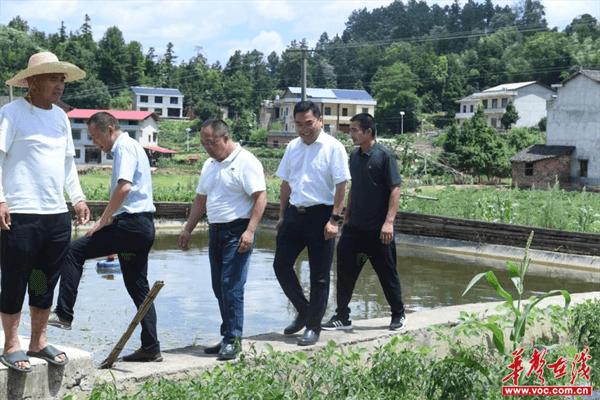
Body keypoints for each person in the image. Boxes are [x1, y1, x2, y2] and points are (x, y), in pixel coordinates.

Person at [0, 51, 90, 373]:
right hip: (20, 213)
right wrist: (0, 200)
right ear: (32, 82)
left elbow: (68, 164)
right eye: (53, 78)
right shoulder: (11, 114)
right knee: (14, 278)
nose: (59, 85)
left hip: (55, 214)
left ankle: (37, 341)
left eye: (62, 79)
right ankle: (11, 345)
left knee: (43, 280)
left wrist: (77, 198)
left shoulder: (61, 118)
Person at [49, 112, 162, 362]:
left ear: (109, 129)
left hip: (130, 227)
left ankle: (64, 313)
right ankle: (151, 346)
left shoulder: (124, 147)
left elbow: (124, 187)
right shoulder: (131, 146)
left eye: (95, 136)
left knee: (73, 251)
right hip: (141, 229)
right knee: (138, 288)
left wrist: (103, 220)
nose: (94, 142)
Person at [178, 119, 266, 360]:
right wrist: (188, 229)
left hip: (238, 231)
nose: (207, 147)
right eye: (203, 142)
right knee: (219, 287)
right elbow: (200, 200)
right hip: (215, 231)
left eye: (211, 142)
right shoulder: (209, 164)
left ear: (225, 137)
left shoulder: (246, 161)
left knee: (232, 286)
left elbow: (260, 197)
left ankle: (233, 340)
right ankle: (227, 334)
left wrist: (250, 231)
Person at [273, 101, 350, 346]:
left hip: (322, 215)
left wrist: (334, 220)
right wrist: (283, 215)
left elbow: (341, 186)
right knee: (280, 265)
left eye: (308, 123)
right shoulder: (292, 147)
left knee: (319, 275)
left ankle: (313, 326)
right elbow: (285, 183)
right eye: (298, 124)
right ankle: (304, 309)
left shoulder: (333, 147)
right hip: (295, 213)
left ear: (319, 121)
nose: (304, 129)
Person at [322, 113, 406, 332]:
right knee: (344, 271)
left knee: (387, 273)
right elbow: (355, 187)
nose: (351, 134)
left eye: (354, 130)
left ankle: (398, 313)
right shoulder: (354, 156)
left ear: (368, 132)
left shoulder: (384, 156)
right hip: (354, 229)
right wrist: (346, 216)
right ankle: (342, 315)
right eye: (351, 130)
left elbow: (395, 189)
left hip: (378, 231)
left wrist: (389, 222)